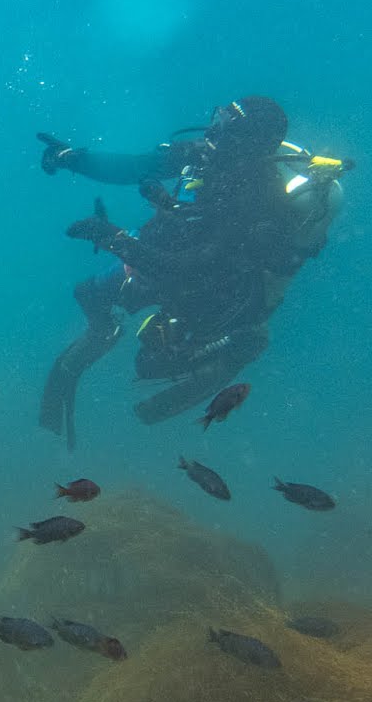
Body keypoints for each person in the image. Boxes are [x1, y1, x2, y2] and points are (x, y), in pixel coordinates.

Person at [39, 96, 347, 447]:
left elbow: (188, 272)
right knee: (88, 293)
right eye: (219, 116)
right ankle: (101, 333)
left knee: (150, 362)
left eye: (228, 125)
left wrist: (115, 240)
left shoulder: (257, 202)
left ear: (247, 142)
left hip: (217, 290)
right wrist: (72, 159)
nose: (214, 129)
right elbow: (136, 166)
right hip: (177, 256)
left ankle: (242, 344)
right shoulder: (207, 153)